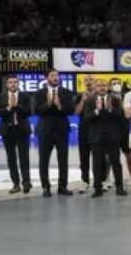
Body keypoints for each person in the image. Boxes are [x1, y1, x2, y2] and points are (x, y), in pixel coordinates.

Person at [83, 79, 127, 198]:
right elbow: (86, 118)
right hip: (96, 137)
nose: (102, 87)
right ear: (96, 87)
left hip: (112, 136)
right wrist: (97, 111)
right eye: (99, 85)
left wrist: (110, 110)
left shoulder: (115, 100)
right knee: (97, 163)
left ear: (107, 87)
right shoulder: (90, 101)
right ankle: (97, 189)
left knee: (116, 163)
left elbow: (120, 117)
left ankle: (119, 187)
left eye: (103, 85)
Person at [34, 69, 74, 197]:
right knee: (43, 160)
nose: (55, 77)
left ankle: (63, 186)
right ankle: (46, 187)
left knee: (63, 160)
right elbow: (36, 111)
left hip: (62, 131)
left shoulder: (66, 93)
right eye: (52, 75)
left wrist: (59, 105)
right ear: (47, 78)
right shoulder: (39, 93)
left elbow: (71, 111)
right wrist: (48, 104)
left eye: (57, 75)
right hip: (45, 131)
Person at [0, 75, 32, 194]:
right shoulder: (0, 96)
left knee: (24, 157)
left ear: (18, 83)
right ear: (7, 85)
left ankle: (26, 182)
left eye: (15, 82)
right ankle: (16, 183)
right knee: (11, 158)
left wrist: (17, 106)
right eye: (10, 82)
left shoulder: (25, 97)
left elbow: (28, 112)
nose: (13, 84)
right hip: (7, 131)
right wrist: (9, 107)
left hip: (22, 130)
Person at [73, 79, 94, 192]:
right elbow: (76, 112)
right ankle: (85, 181)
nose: (89, 83)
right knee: (84, 157)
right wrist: (83, 100)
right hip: (84, 130)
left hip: (97, 130)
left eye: (91, 81)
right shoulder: (80, 95)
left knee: (98, 157)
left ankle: (99, 181)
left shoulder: (99, 95)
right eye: (87, 81)